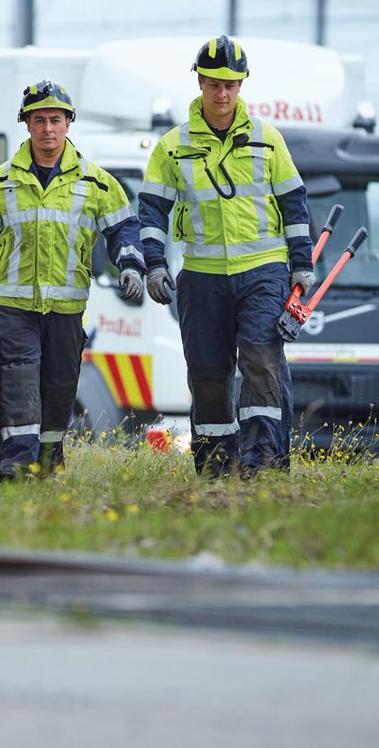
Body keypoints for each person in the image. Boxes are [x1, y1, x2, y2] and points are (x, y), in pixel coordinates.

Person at [137, 36, 315, 477]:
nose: (222, 93)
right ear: (199, 81)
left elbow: (294, 203)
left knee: (261, 363)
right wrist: (156, 264)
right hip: (202, 278)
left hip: (263, 274)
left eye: (231, 85)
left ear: (242, 85)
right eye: (215, 83)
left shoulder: (268, 140)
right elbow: (151, 211)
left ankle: (260, 463)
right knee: (209, 374)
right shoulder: (172, 147)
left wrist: (303, 264)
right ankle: (216, 469)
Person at [0, 80, 145, 481]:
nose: (47, 128)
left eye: (55, 120)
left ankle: (47, 461)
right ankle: (13, 461)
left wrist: (130, 265)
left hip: (65, 307)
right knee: (18, 381)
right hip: (14, 307)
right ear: (26, 125)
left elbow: (124, 230)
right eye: (39, 119)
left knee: (60, 388)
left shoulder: (96, 183)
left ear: (68, 124)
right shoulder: (1, 183)